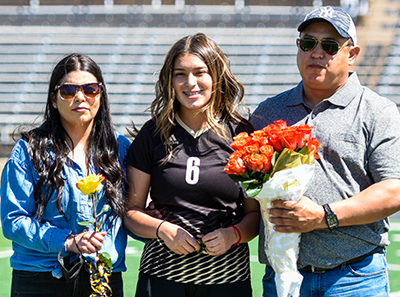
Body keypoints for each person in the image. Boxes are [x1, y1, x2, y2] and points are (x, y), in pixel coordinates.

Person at [251, 6, 400, 297]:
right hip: (283, 276)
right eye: (308, 43)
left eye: (330, 46)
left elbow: (393, 190)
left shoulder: (378, 111)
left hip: (355, 276)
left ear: (352, 54)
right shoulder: (268, 111)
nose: (316, 53)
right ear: (298, 47)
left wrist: (323, 216)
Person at [123, 33, 260, 297]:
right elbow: (131, 213)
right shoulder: (153, 134)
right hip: (162, 277)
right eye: (180, 74)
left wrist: (233, 234)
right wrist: (163, 230)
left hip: (227, 278)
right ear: (170, 80)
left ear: (216, 77)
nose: (190, 83)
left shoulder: (242, 135)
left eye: (200, 72)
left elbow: (254, 216)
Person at [1, 53, 131, 297]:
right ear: (53, 99)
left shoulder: (121, 149)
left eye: (90, 89)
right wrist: (68, 241)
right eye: (68, 90)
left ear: (101, 96)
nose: (80, 97)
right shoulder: (29, 150)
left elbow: (130, 213)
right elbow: (13, 221)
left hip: (104, 277)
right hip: (40, 279)